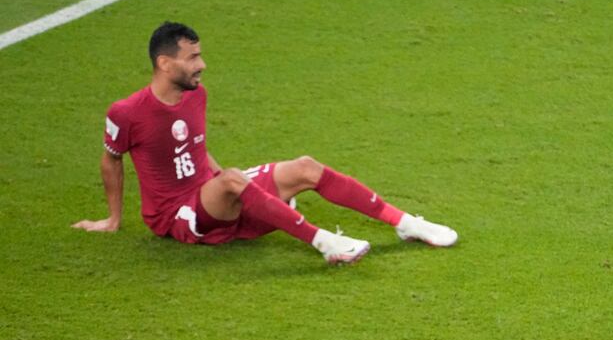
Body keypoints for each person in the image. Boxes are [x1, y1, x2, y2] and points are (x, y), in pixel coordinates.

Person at [73, 21, 458, 264]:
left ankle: (404, 223)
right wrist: (113, 219)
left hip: (208, 194)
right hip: (175, 216)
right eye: (193, 57)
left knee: (305, 166)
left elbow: (196, 145)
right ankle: (324, 244)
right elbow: (111, 160)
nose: (202, 64)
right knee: (233, 181)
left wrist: (217, 178)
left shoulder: (196, 95)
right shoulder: (127, 112)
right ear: (164, 63)